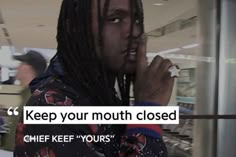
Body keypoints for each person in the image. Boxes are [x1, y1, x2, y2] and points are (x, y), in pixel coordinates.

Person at [14, 0, 175, 156]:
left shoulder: (101, 99)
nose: (134, 32)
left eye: (137, 20)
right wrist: (148, 113)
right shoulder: (51, 109)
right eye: (114, 19)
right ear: (75, 28)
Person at [1, 50, 47, 151]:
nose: (17, 67)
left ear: (28, 68)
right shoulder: (26, 95)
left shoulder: (36, 98)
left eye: (21, 64)